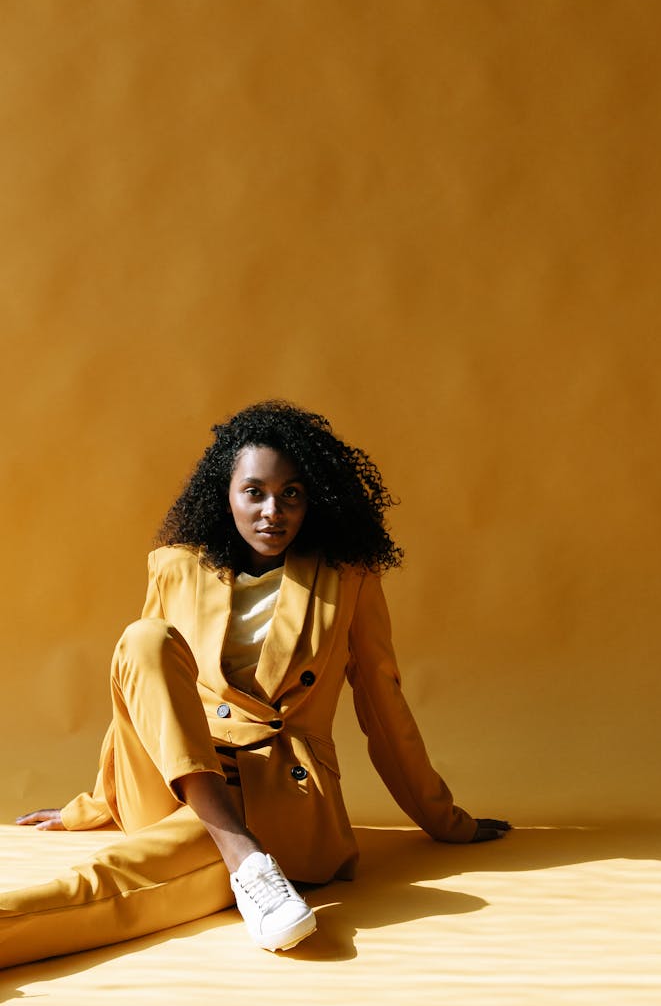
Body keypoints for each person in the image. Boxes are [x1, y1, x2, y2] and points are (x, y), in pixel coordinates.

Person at [2, 399, 509, 967]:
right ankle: (246, 859)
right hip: (172, 778)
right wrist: (92, 805)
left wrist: (446, 819)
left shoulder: (349, 580)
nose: (274, 511)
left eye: (291, 493)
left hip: (275, 782)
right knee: (145, 637)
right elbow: (143, 693)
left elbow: (381, 701)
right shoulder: (175, 565)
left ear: (314, 498)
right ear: (227, 495)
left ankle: (234, 855)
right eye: (255, 492)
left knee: (122, 881)